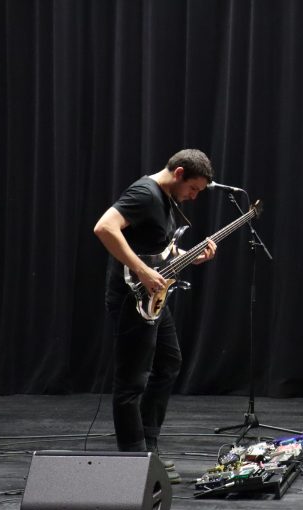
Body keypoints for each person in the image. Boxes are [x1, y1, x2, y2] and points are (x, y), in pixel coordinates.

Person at [93, 149, 218, 476]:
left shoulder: (164, 199)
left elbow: (158, 250)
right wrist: (142, 271)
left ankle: (148, 448)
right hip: (131, 298)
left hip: (152, 299)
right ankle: (133, 464)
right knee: (132, 381)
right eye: (193, 188)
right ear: (179, 173)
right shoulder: (145, 193)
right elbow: (104, 228)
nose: (193, 197)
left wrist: (191, 256)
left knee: (168, 363)